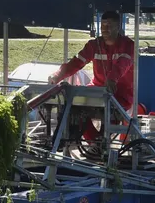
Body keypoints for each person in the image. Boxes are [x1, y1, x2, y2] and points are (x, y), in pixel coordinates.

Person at [48, 10, 139, 152]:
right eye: (103, 25)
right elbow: (76, 63)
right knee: (73, 108)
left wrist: (112, 79)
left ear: (118, 26)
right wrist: (57, 76)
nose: (105, 29)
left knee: (108, 116)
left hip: (121, 96)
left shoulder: (128, 45)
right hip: (96, 91)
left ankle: (101, 145)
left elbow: (123, 65)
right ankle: (92, 143)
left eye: (109, 25)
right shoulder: (93, 45)